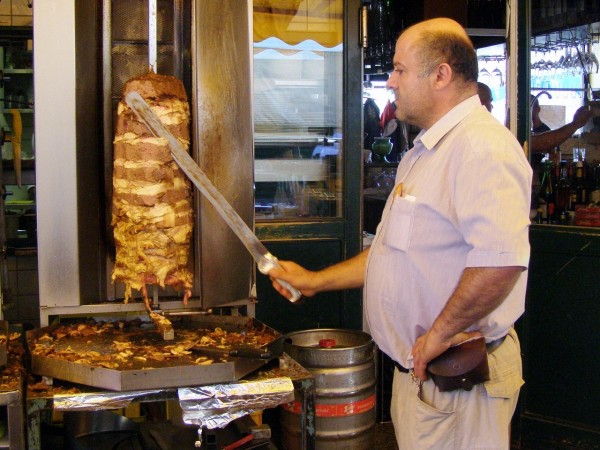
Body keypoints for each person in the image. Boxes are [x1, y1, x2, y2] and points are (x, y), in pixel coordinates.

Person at [269, 17, 532, 449]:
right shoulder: (425, 151)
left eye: (399, 69)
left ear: (441, 74)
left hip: (455, 380)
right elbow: (393, 252)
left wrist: (439, 335)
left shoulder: (482, 148)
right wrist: (315, 281)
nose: (390, 81)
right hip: (422, 372)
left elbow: (499, 264)